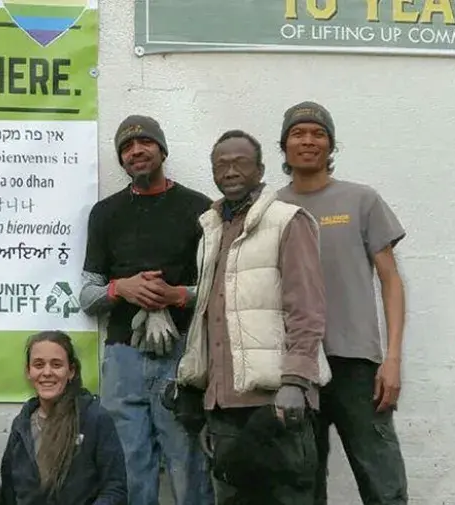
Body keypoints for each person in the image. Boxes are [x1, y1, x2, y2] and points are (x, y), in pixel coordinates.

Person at [175, 130, 330, 504]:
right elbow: (209, 316)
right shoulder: (211, 228)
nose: (230, 171)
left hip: (277, 403)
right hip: (224, 407)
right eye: (221, 165)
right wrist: (205, 398)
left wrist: (295, 382)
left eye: (240, 163)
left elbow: (306, 309)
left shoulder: (287, 220)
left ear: (260, 170)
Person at [273, 101, 409, 505]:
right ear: (284, 146)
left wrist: (392, 359)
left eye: (318, 134)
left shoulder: (361, 199)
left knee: (384, 485)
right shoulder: (272, 208)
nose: (308, 141)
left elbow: (391, 280)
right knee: (301, 488)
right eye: (298, 133)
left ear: (331, 146)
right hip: (297, 368)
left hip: (357, 365)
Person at [79, 114, 214, 505]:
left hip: (183, 356)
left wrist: (175, 295)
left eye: (145, 142)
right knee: (129, 468)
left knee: (188, 466)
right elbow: (87, 295)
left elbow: (219, 289)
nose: (136, 151)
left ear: (162, 150)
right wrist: (122, 288)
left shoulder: (199, 209)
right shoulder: (105, 214)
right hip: (123, 360)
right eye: (126, 147)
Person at [0, 331, 126, 505]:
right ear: (28, 372)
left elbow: (115, 489)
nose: (47, 372)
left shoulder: (95, 418)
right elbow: (8, 491)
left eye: (56, 365)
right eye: (38, 365)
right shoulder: (21, 425)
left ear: (71, 371)